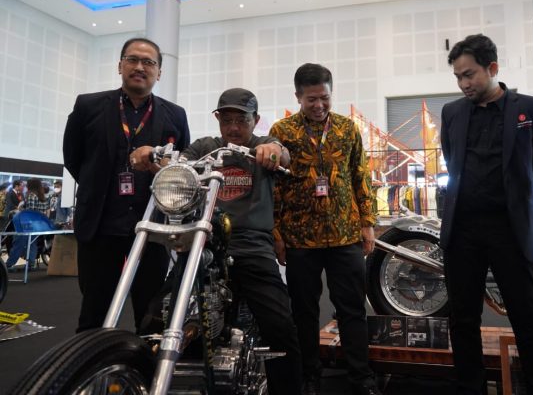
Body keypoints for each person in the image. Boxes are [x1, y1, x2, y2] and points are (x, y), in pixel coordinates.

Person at [133, 87, 302, 395]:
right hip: (204, 247)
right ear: (218, 120)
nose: (233, 127)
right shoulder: (205, 147)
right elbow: (177, 166)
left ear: (255, 120)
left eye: (242, 120)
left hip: (252, 248)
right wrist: (153, 157)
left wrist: (274, 151)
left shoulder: (261, 145)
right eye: (226, 120)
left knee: (280, 326)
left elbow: (282, 153)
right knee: (155, 319)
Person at [439, 35, 533, 395]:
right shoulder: (452, 112)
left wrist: (518, 193)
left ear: (492, 68)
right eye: (458, 77)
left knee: (528, 320)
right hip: (463, 230)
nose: (463, 84)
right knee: (462, 320)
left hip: (511, 228)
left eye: (469, 75)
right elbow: (452, 158)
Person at [63, 37, 190, 333]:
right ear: (120, 65)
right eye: (132, 59)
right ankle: (92, 361)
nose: (139, 67)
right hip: (100, 226)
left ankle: (143, 363)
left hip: (152, 229)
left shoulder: (175, 114)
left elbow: (180, 164)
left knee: (151, 315)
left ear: (159, 72)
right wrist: (97, 185)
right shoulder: (88, 106)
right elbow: (73, 157)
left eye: (148, 62)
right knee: (94, 312)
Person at [270, 63, 381, 395]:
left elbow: (361, 176)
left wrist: (368, 223)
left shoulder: (347, 129)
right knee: (303, 311)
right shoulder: (282, 131)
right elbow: (275, 186)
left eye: (325, 98)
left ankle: (361, 377)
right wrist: (276, 233)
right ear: (298, 97)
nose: (319, 105)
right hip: (300, 237)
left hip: (345, 234)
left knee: (352, 309)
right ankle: (309, 375)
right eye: (311, 99)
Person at [5, 178, 50, 270]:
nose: (25, 186)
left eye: (27, 184)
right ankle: (31, 264)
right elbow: (46, 212)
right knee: (32, 244)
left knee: (18, 243)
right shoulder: (43, 197)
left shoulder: (31, 195)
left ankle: (9, 264)